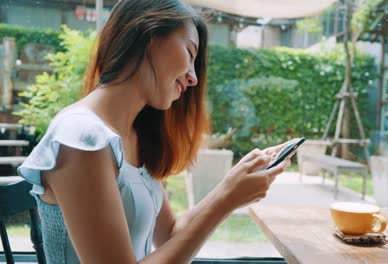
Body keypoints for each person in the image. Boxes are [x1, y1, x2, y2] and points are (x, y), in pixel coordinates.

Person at [18, 0, 293, 263]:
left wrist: (230, 186)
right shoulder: (80, 138)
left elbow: (170, 234)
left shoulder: (134, 137)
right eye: (189, 52)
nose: (193, 78)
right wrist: (225, 200)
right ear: (149, 34)